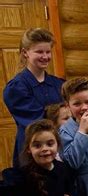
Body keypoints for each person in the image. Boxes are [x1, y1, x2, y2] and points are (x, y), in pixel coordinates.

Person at [3, 28, 64, 167]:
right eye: (39, 52)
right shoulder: (16, 88)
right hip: (32, 152)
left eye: (48, 52)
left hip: (60, 148)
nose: (45, 56)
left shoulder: (59, 84)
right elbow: (37, 122)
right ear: (25, 53)